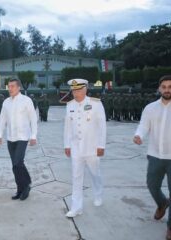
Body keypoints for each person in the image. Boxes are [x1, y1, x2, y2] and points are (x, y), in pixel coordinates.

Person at [133, 75, 171, 240]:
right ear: (159, 89)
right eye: (163, 87)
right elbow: (143, 125)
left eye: (170, 86)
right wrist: (139, 135)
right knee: (152, 185)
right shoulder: (150, 108)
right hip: (155, 155)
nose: (166, 89)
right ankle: (162, 203)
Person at [63, 79, 106, 218]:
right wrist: (67, 145)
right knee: (76, 177)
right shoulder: (69, 105)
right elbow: (67, 127)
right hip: (76, 148)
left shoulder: (95, 103)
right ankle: (76, 207)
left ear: (86, 89)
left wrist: (101, 145)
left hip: (92, 147)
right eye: (74, 90)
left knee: (95, 173)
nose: (76, 93)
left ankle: (98, 193)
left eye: (79, 90)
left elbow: (102, 126)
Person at [0, 78, 37, 201]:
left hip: (23, 137)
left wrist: (33, 136)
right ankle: (20, 188)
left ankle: (26, 187)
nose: (10, 88)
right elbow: (2, 120)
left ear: (19, 87)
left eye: (13, 86)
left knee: (17, 162)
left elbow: (33, 119)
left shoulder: (26, 100)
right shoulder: (6, 102)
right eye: (9, 86)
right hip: (10, 137)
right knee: (15, 166)